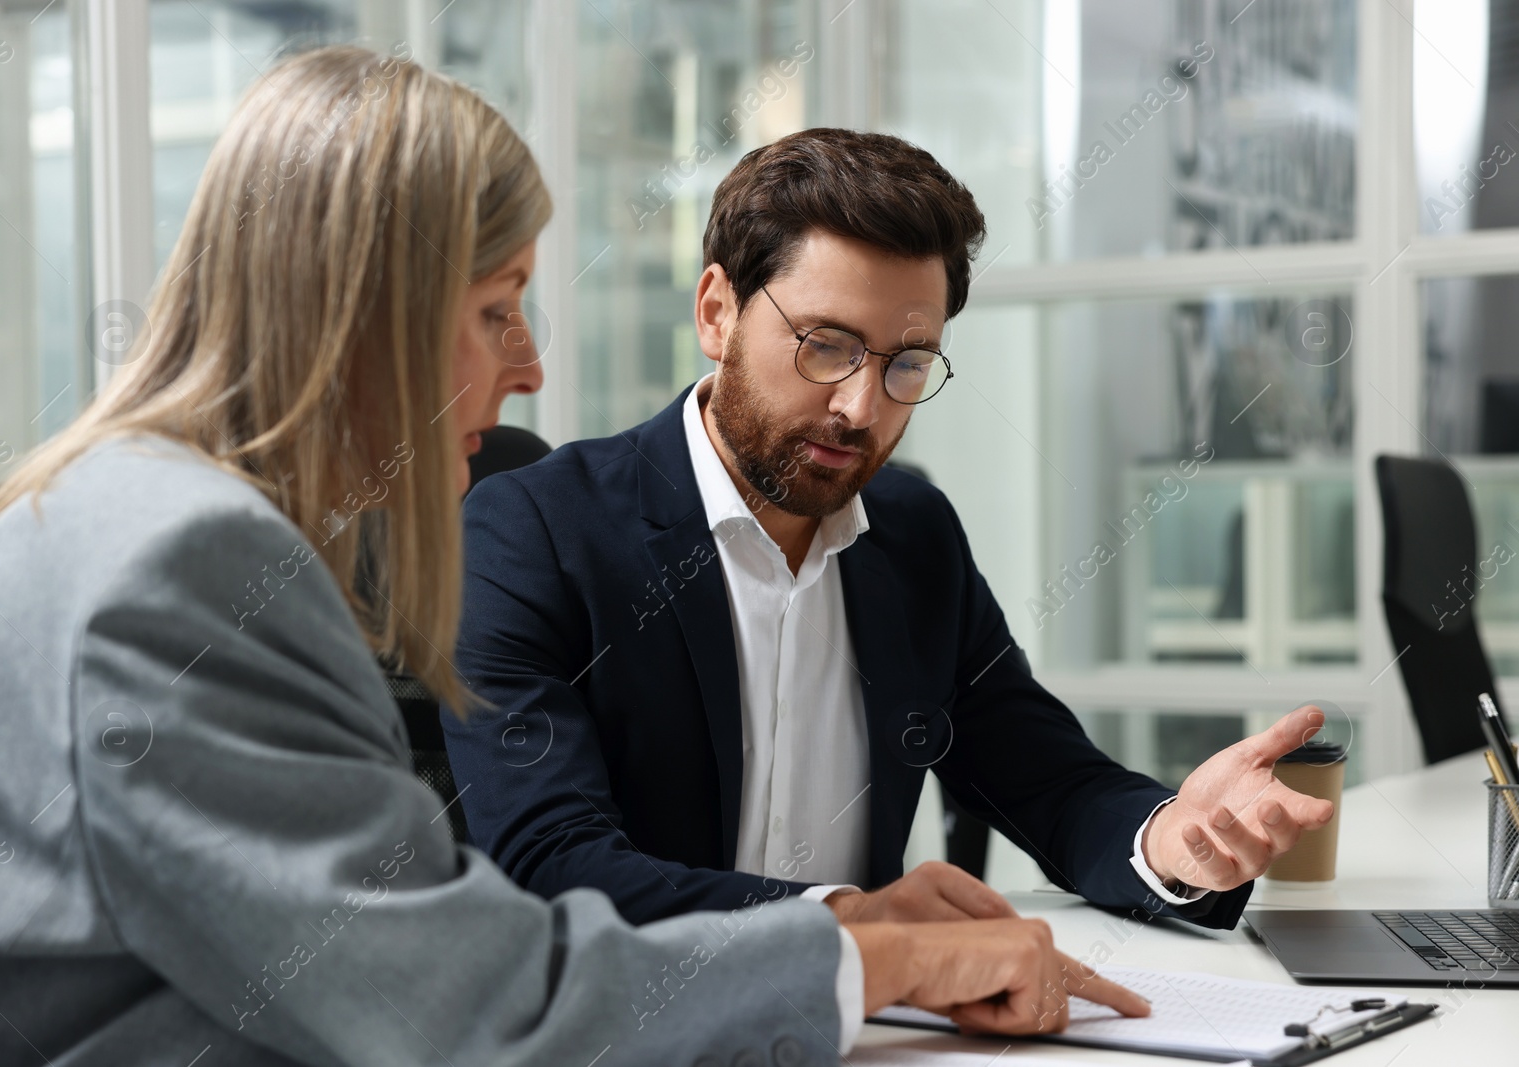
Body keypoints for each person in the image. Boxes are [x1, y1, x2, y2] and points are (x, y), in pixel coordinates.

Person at [0, 47, 1149, 1066]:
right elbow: (458, 1001)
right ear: (370, 309)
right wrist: (880, 950)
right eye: (497, 306)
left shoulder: (124, 507)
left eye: (901, 365)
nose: (530, 369)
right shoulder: (185, 561)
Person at [444, 127, 1336, 931]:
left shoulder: (912, 533)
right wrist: (853, 922)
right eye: (824, 345)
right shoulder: (534, 531)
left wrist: (1172, 840)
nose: (860, 406)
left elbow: (1049, 782)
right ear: (717, 311)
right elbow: (552, 867)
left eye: (907, 363)